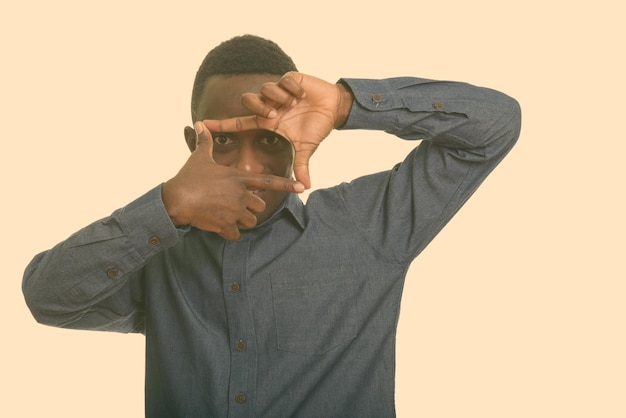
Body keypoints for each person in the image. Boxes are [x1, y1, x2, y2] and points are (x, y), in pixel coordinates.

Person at [23, 35, 521, 417]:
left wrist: (348, 105)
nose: (245, 167)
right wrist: (169, 205)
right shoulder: (156, 251)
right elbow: (47, 297)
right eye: (223, 140)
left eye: (268, 139)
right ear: (190, 142)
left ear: (297, 140)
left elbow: (496, 124)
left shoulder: (368, 227)